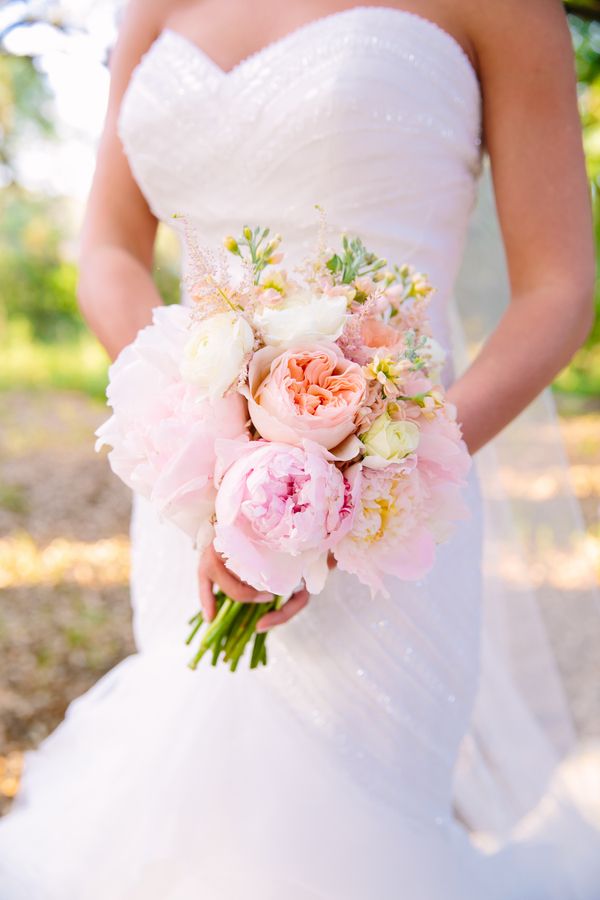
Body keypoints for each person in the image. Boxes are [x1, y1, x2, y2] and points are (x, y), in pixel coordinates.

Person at [0, 1, 598, 897]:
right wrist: (208, 433)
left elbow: (556, 288)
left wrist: (363, 474)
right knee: (188, 812)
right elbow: (108, 248)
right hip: (189, 496)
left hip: (393, 506)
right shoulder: (148, 7)